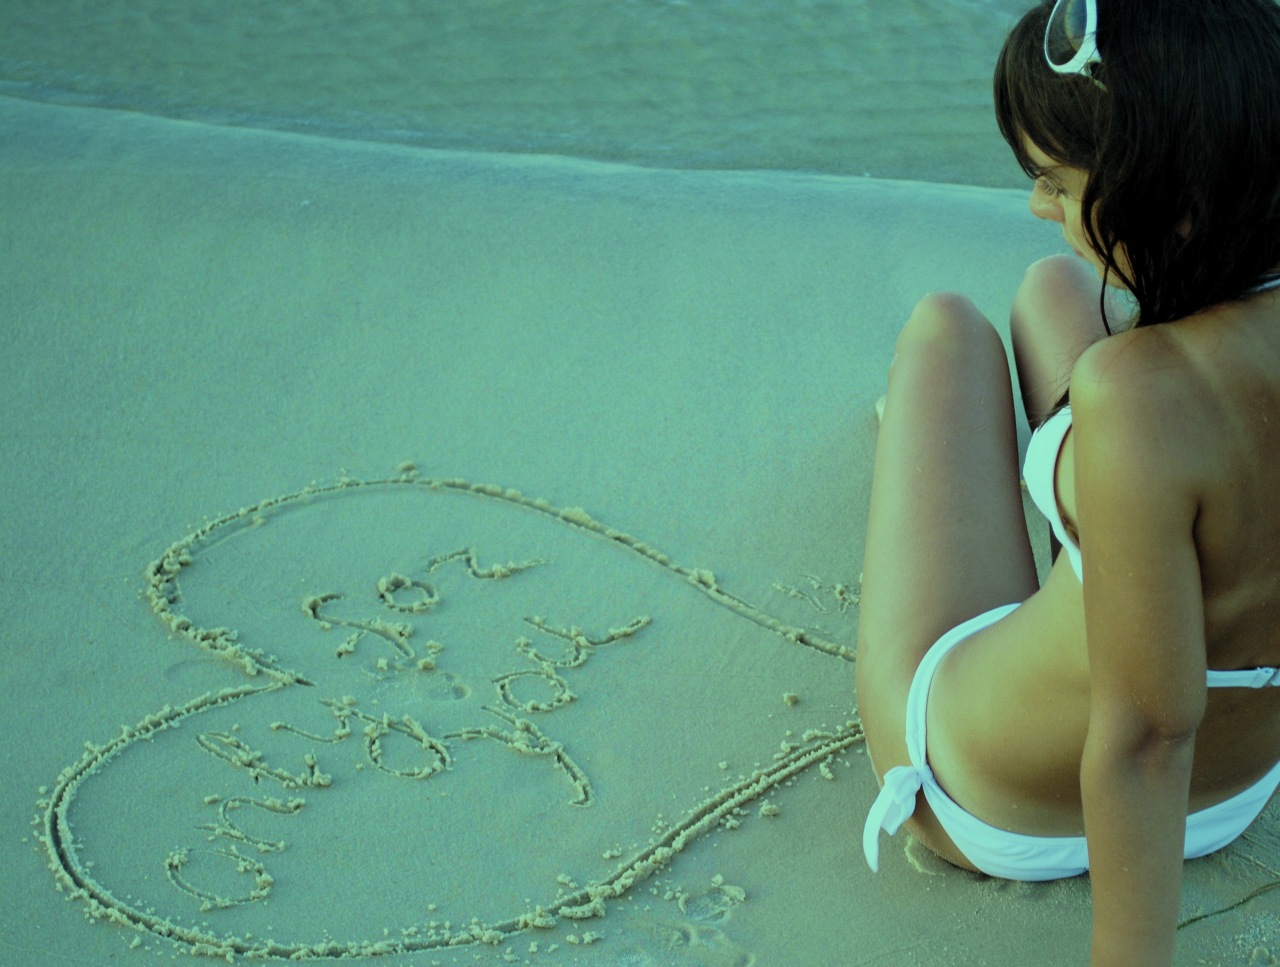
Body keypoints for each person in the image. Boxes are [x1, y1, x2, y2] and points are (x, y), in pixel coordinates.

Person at [853, 1, 1280, 964]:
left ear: (1158, 187)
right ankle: (1085, 498)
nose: (1039, 206)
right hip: (1236, 790)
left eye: (1054, 181)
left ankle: (946, 442)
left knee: (948, 334)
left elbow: (1147, 740)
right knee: (1057, 286)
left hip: (997, 794)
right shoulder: (1156, 387)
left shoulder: (1138, 397)